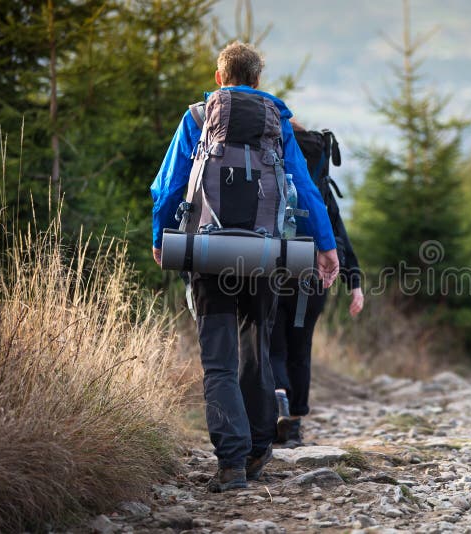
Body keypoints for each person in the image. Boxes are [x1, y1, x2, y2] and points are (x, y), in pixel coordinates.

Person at [150, 42, 339, 492]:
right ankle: (257, 451)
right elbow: (306, 191)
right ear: (257, 80)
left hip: (209, 255)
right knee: (257, 352)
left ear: (219, 77)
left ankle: (230, 465)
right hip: (264, 255)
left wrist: (161, 237)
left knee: (219, 360)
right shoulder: (279, 123)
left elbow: (168, 185)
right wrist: (326, 247)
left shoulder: (198, 118)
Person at [271, 125, 364, 447]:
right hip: (314, 269)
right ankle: (294, 425)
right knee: (301, 346)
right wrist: (355, 283)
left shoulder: (267, 162)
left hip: (270, 263)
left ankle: (278, 399)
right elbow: (337, 228)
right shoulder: (319, 181)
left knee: (272, 342)